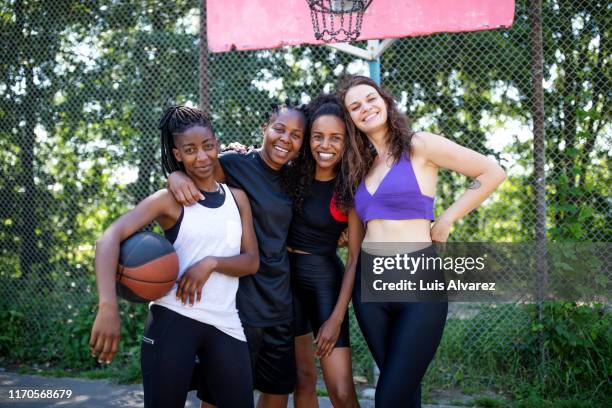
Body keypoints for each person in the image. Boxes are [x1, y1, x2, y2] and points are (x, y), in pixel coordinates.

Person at [335, 75, 507, 407]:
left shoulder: (419, 145)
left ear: (385, 101)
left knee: (389, 398)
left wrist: (446, 219)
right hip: (370, 288)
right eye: (354, 106)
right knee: (404, 391)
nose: (365, 108)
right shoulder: (357, 166)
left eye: (370, 99)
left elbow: (491, 172)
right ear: (350, 119)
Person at [89, 106, 260, 408]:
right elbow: (108, 239)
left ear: (217, 143)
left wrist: (210, 264)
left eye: (208, 146)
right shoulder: (169, 199)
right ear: (177, 154)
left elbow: (251, 261)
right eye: (190, 150)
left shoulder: (238, 198)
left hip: (225, 322)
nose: (202, 156)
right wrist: (107, 306)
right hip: (174, 317)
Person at [167, 102, 306, 408]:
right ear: (264, 130)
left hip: (279, 302)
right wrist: (173, 176)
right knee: (219, 396)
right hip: (239, 304)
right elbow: (196, 170)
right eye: (279, 129)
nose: (286, 139)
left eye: (296, 134)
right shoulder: (234, 163)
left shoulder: (296, 178)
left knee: (277, 391)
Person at [283, 95, 359, 407]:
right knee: (303, 380)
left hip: (325, 286)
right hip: (285, 283)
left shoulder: (350, 188)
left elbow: (354, 257)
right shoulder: (287, 175)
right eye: (318, 136)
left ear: (346, 143)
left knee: (340, 392)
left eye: (335, 138)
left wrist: (336, 319)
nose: (325, 145)